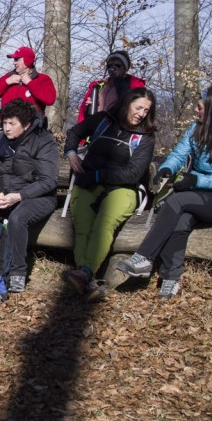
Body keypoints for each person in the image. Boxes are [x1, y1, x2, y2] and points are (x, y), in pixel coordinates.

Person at [117, 86, 212, 300]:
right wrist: (167, 168)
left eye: (199, 107)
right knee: (181, 222)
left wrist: (196, 179)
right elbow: (179, 153)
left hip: (211, 196)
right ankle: (171, 279)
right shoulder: (195, 129)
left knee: (178, 200)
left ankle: (144, 257)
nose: (195, 110)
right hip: (198, 194)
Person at [61, 88, 156, 302]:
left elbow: (133, 173)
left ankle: (84, 273)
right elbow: (74, 132)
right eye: (138, 107)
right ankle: (88, 278)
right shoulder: (103, 120)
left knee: (104, 223)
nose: (141, 113)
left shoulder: (146, 138)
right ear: (126, 104)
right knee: (82, 223)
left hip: (123, 188)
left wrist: (98, 176)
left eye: (146, 110)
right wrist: (71, 152)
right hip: (88, 181)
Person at [0, 100, 59, 293]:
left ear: (26, 124)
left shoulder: (44, 141)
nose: (6, 128)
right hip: (6, 195)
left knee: (17, 218)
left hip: (40, 197)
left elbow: (48, 181)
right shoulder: (4, 141)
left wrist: (19, 196)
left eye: (11, 124)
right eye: (4, 123)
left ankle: (17, 273)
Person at [77, 50, 146, 123]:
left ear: (125, 68)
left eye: (117, 65)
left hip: (118, 129)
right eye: (109, 65)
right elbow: (83, 113)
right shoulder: (99, 86)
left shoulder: (135, 85)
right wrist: (87, 107)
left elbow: (135, 109)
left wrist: (119, 81)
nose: (113, 68)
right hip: (96, 128)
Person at [0, 46, 57, 113]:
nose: (14, 62)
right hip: (8, 125)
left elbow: (50, 100)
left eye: (17, 59)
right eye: (14, 60)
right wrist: (6, 82)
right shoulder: (8, 77)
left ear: (27, 60)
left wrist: (30, 83)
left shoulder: (42, 79)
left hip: (32, 126)